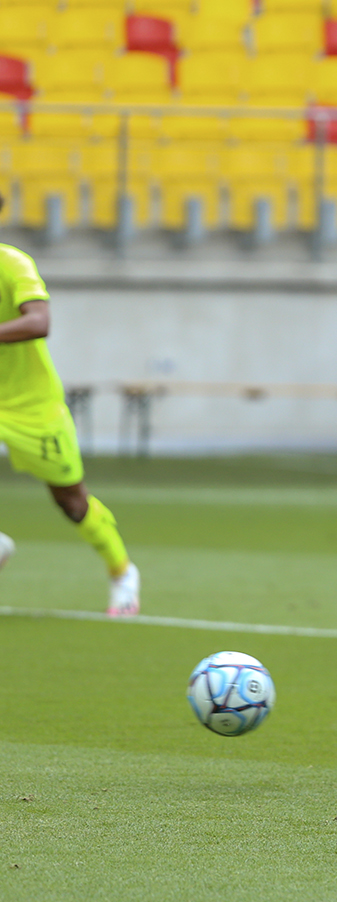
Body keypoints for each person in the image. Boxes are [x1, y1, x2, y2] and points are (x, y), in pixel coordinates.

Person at [0, 195, 139, 615]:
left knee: (72, 502)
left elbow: (39, 322)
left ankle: (122, 573)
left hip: (32, 406)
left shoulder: (12, 263)